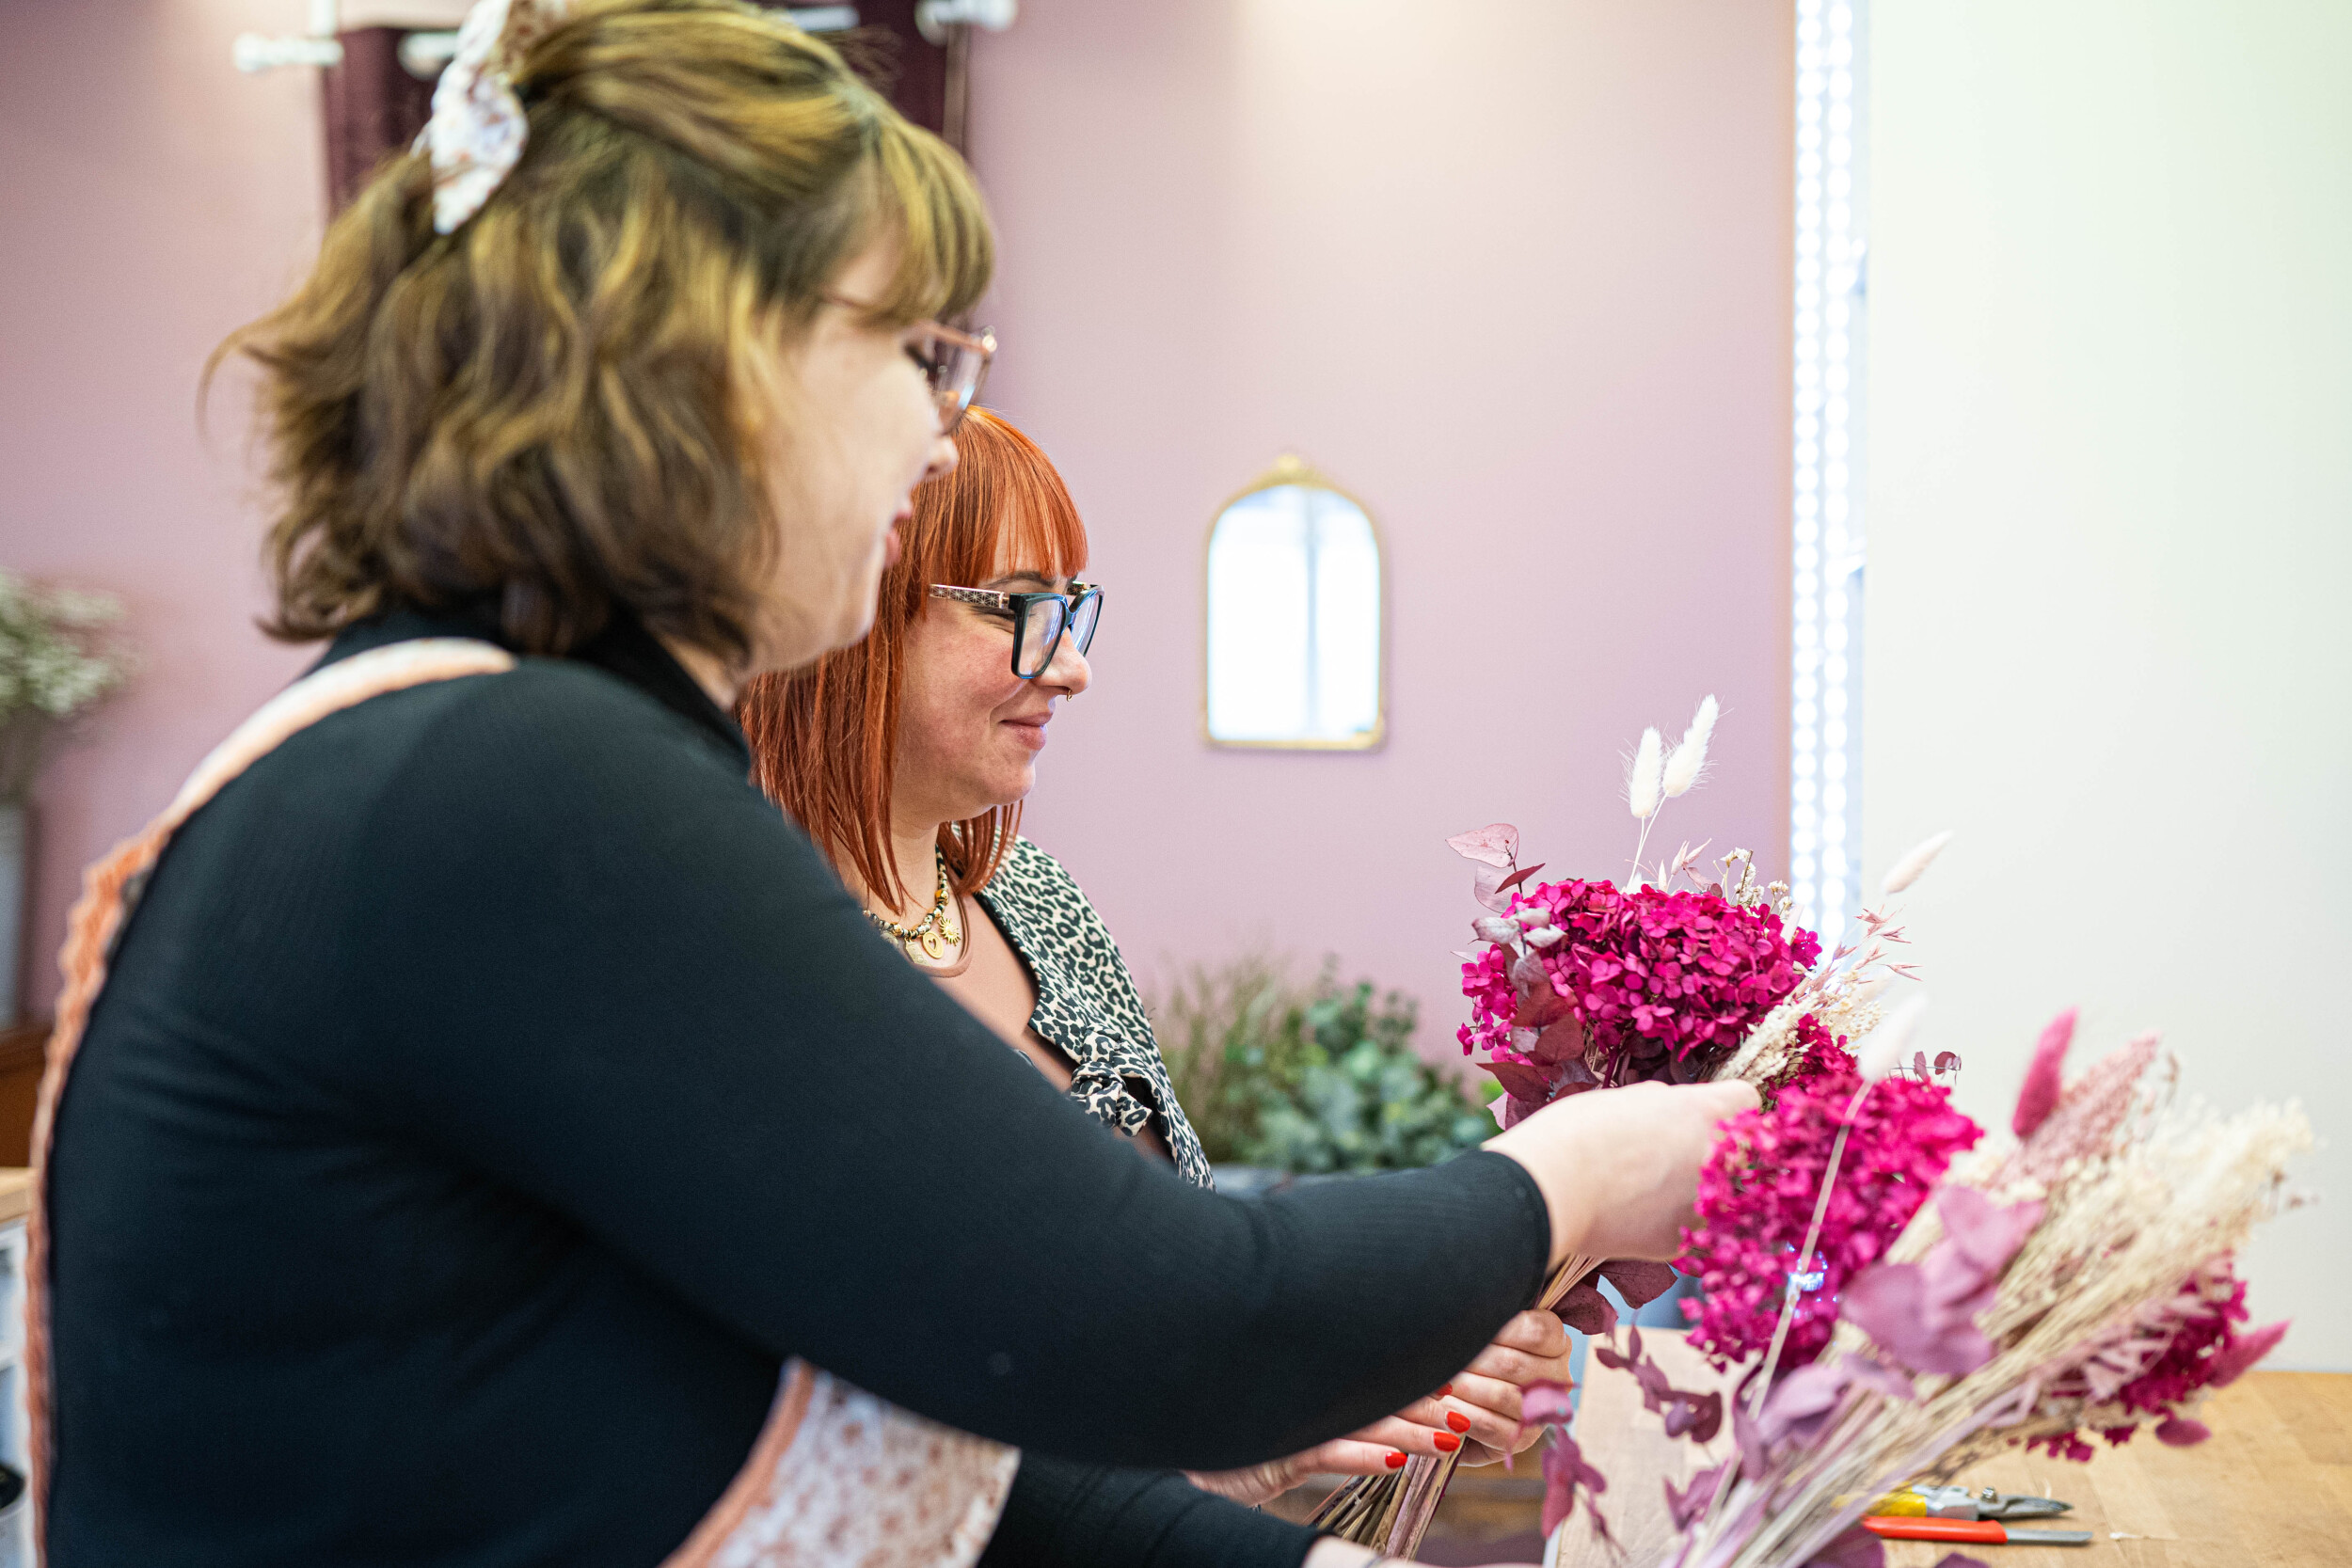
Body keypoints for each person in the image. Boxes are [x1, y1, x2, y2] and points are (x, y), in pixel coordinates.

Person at [34, 4, 1756, 1567]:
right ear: (707, 363)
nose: (942, 429)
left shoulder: (453, 751)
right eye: (918, 351)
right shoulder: (514, 783)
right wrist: (1599, 1163)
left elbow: (931, 1446)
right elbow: (1162, 1321)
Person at [740, 408, 1576, 1507]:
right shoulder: (745, 954)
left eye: (1072, 609)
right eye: (1025, 609)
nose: (1073, 665)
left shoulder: (1040, 905)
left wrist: (1387, 1369)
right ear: (851, 598)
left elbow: (1187, 1337)